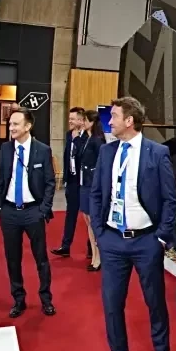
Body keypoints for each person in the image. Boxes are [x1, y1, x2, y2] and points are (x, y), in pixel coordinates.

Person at [90, 96, 176, 351]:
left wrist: (161, 238)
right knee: (112, 304)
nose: (109, 121)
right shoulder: (107, 152)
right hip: (113, 242)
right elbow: (97, 194)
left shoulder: (157, 153)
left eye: (114, 116)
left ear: (129, 121)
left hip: (146, 242)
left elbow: (170, 200)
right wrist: (100, 234)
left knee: (155, 302)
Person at [0, 108, 55, 317]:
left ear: (28, 126)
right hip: (9, 212)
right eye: (10, 124)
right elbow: (1, 179)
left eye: (15, 124)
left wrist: (43, 209)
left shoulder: (42, 150)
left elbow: (50, 182)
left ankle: (46, 299)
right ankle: (18, 300)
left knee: (41, 258)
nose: (11, 128)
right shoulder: (5, 149)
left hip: (33, 212)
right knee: (12, 258)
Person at [52, 107, 91, 259]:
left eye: (73, 119)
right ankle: (65, 246)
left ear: (81, 120)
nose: (70, 121)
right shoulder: (69, 135)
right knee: (70, 215)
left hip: (85, 181)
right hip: (72, 181)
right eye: (69, 118)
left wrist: (77, 139)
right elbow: (67, 156)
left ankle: (91, 248)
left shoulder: (87, 137)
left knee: (88, 216)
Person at [79, 110, 104, 273]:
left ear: (92, 122)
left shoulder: (97, 141)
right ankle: (94, 255)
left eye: (85, 120)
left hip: (92, 185)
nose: (82, 123)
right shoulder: (86, 138)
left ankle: (99, 257)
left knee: (93, 221)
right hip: (84, 183)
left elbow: (101, 164)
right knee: (87, 220)